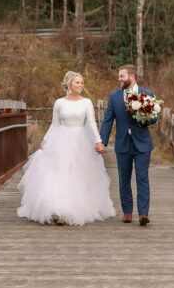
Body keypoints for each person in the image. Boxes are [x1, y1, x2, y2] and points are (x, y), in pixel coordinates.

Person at [17, 72, 115, 226]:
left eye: (82, 83)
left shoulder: (86, 102)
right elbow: (54, 124)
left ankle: (73, 209)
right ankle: (58, 211)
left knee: (76, 176)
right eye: (77, 83)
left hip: (80, 141)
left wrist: (98, 141)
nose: (81, 86)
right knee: (59, 175)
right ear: (69, 84)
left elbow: (91, 123)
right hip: (60, 140)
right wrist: (45, 139)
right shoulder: (59, 103)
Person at [96, 66, 157, 226]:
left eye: (121, 76)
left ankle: (143, 214)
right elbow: (108, 120)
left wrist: (144, 115)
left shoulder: (147, 93)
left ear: (132, 76)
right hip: (122, 143)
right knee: (124, 179)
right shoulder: (115, 97)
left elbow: (153, 119)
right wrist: (103, 141)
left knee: (142, 178)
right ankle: (127, 212)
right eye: (119, 76)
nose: (119, 79)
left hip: (142, 143)